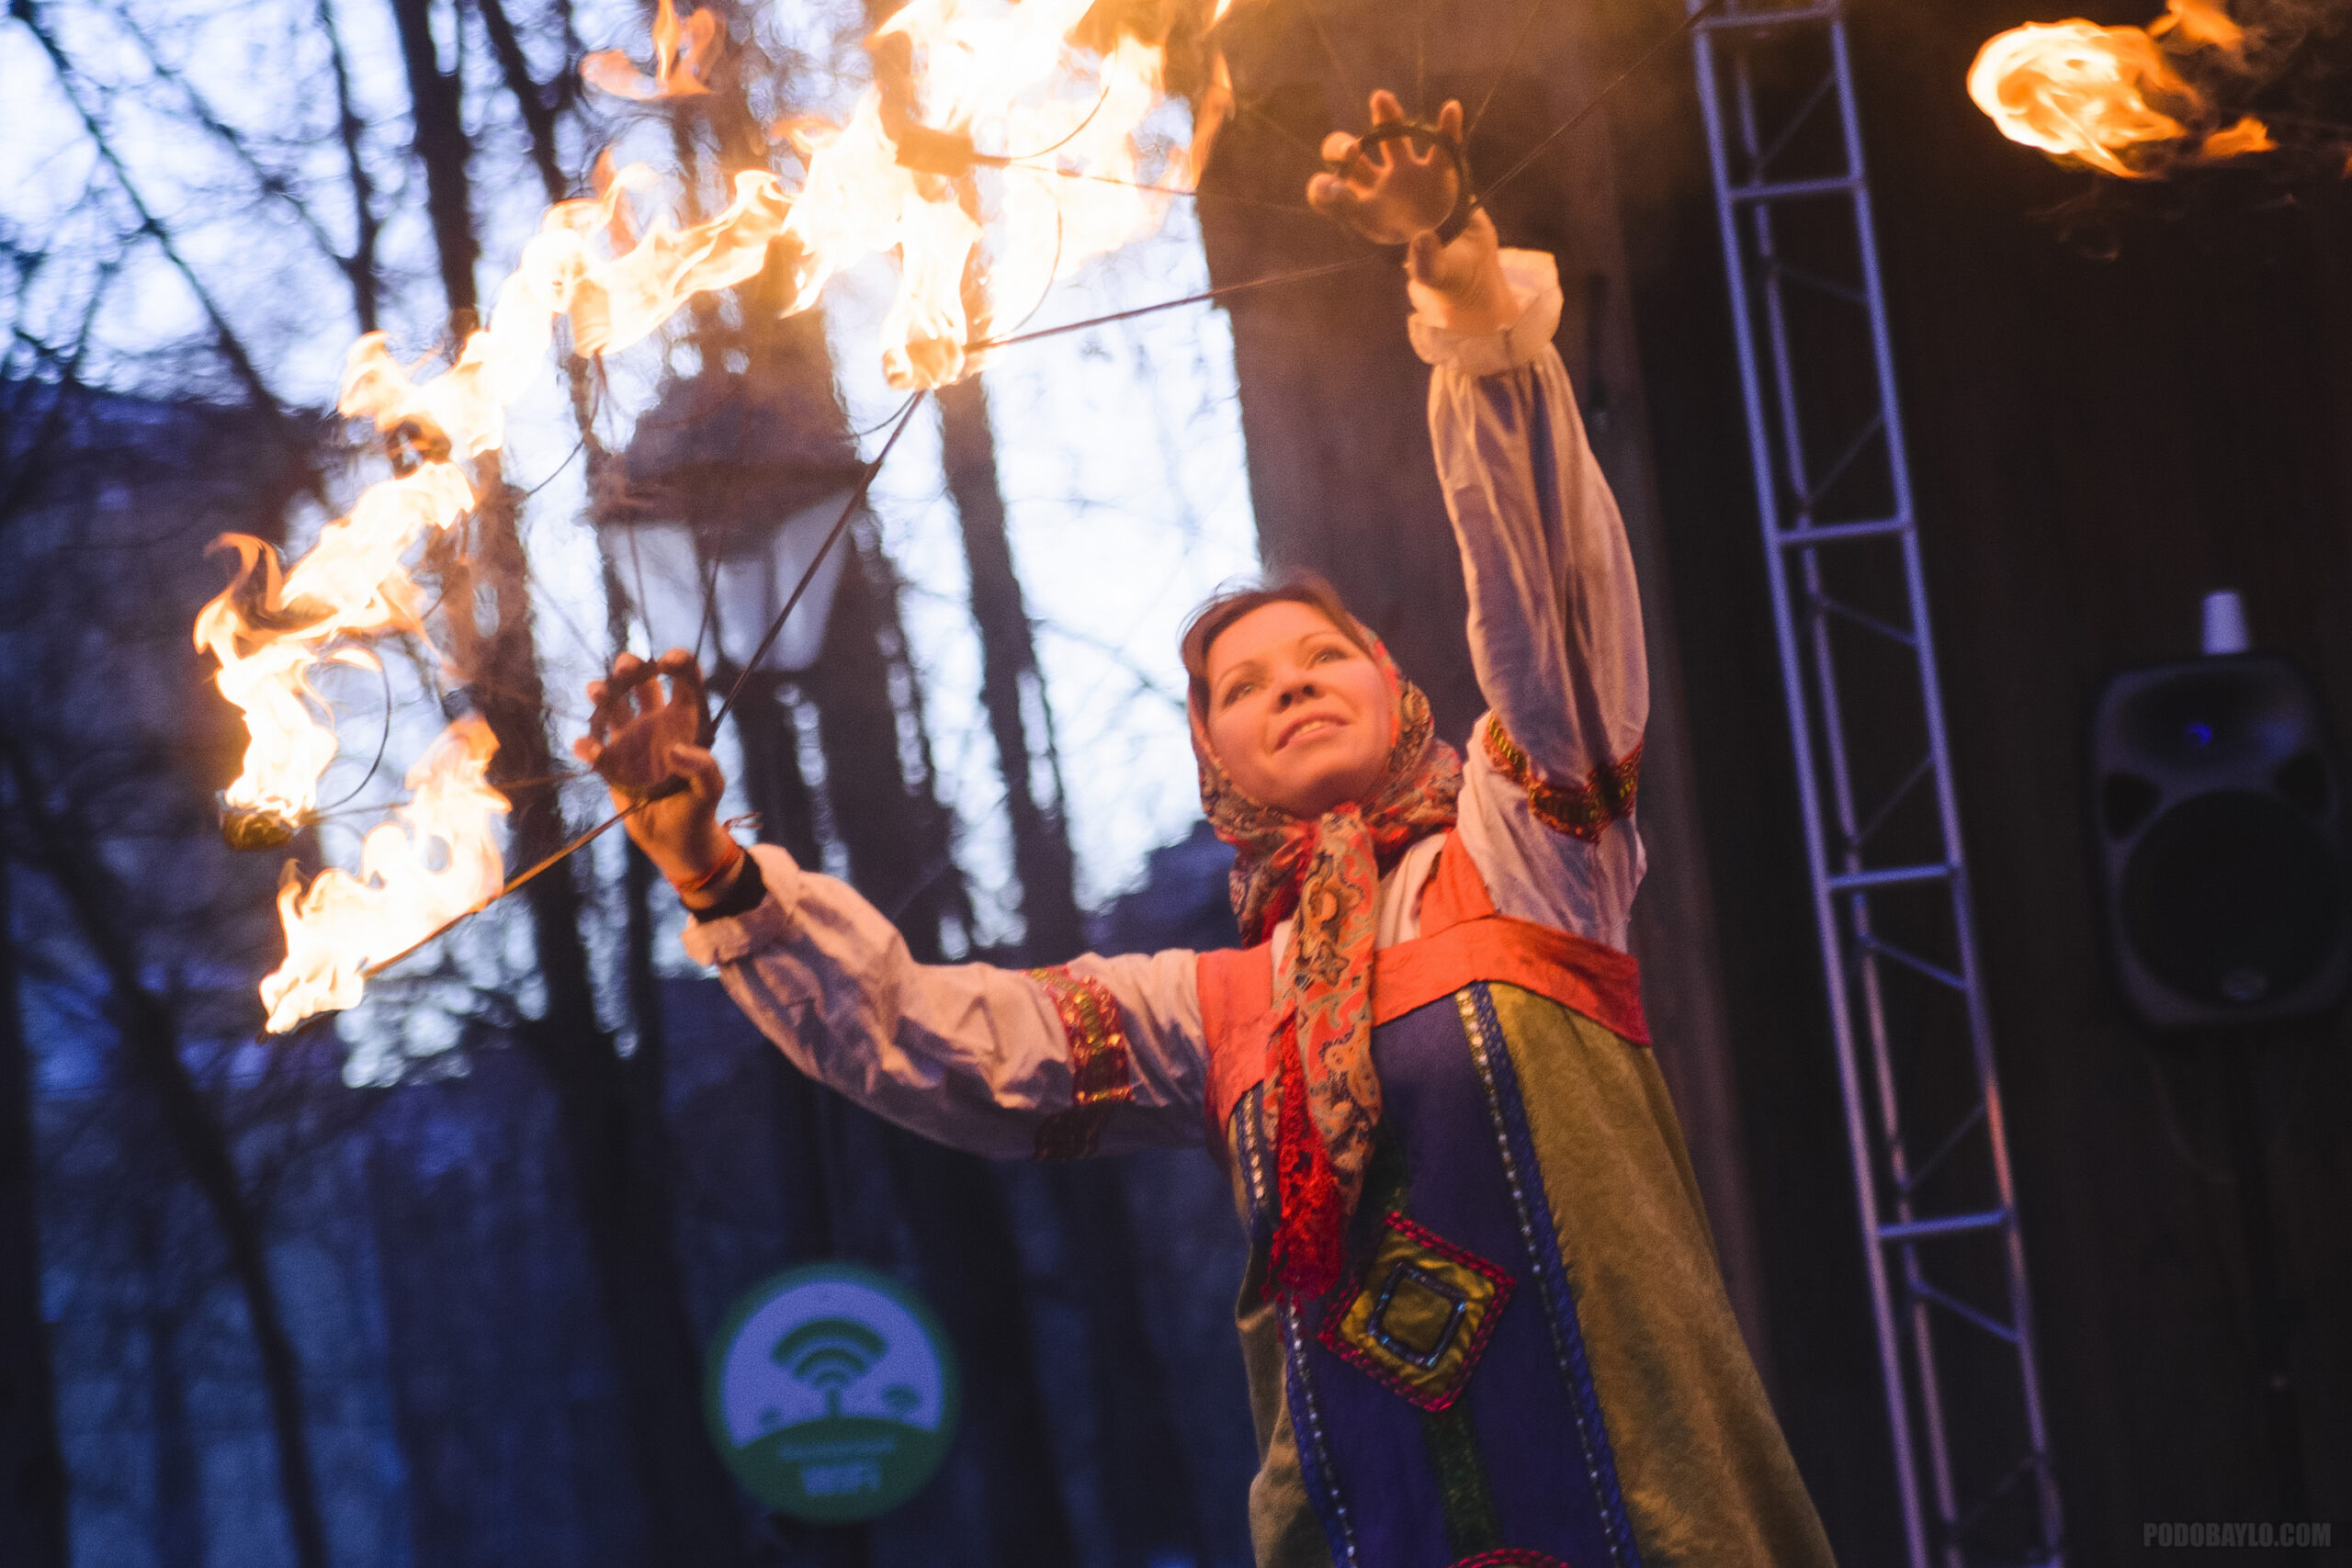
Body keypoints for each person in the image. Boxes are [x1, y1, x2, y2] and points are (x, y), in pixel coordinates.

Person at [579, 90, 1835, 1568]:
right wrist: (721, 880)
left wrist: (1462, 294)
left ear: (1398, 692)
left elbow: (1545, 595)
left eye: (1322, 657)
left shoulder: (1530, 853)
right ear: (1217, 761)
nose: (1289, 684)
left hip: (1641, 1520)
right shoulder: (1217, 1013)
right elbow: (935, 1040)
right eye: (1243, 686)